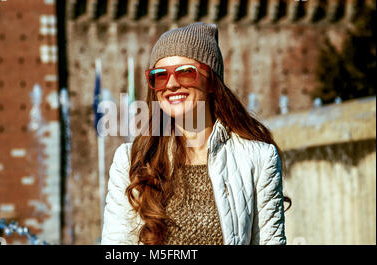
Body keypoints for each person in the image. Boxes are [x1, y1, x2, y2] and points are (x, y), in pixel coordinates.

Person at [101, 22, 291, 245]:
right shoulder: (131, 161)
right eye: (160, 76)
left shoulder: (258, 158)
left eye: (185, 73)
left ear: (211, 81)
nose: (171, 84)